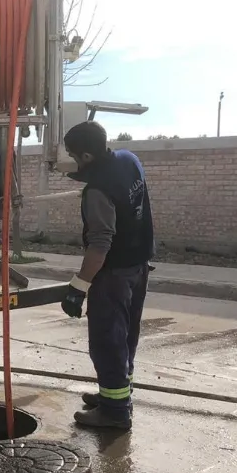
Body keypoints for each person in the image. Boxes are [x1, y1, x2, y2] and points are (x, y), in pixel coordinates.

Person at [60, 120, 155, 431]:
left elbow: (100, 244)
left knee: (107, 341)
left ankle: (114, 413)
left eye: (75, 157)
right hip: (139, 267)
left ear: (86, 156)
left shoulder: (98, 190)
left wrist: (78, 287)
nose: (75, 162)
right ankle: (116, 396)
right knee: (126, 337)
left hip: (113, 273)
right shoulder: (130, 160)